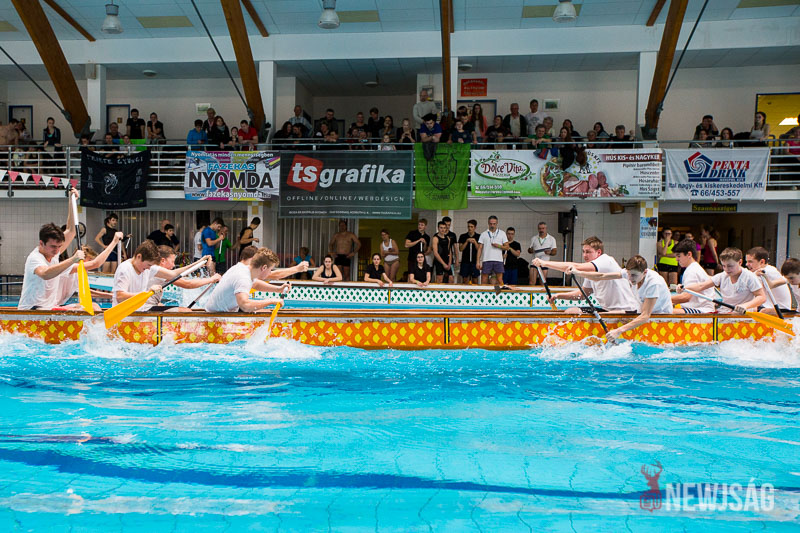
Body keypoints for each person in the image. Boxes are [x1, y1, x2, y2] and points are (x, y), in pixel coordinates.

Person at [569, 255, 673, 342]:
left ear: (645, 272)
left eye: (633, 275)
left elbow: (645, 316)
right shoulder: (631, 273)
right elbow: (602, 276)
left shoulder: (653, 283)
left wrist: (618, 331)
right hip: (642, 313)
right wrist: (578, 272)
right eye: (628, 274)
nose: (630, 278)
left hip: (662, 318)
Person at [534, 236, 639, 314]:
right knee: (571, 311)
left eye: (588, 252)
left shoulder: (606, 260)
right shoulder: (590, 271)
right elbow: (582, 294)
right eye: (583, 251)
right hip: (607, 310)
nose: (584, 255)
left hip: (626, 311)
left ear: (598, 252)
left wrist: (544, 263)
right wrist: (558, 296)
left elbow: (575, 266)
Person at [679, 247, 765, 314]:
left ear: (740, 262)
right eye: (724, 266)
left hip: (743, 315)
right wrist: (684, 288)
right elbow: (701, 286)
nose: (726, 269)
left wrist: (745, 306)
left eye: (730, 266)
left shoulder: (749, 277)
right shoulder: (723, 275)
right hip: (725, 313)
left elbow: (761, 297)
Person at [204, 247, 287, 313]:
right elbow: (245, 305)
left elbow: (255, 284)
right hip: (214, 319)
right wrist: (271, 301)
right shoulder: (243, 278)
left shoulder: (243, 269)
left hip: (217, 313)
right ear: (264, 267)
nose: (270, 273)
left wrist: (278, 289)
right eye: (270, 269)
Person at [147, 246, 220, 312]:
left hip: (149, 305)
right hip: (146, 308)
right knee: (186, 311)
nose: (174, 265)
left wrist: (198, 263)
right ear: (163, 261)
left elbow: (175, 273)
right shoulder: (158, 270)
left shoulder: (155, 269)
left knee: (162, 305)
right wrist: (211, 279)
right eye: (172, 261)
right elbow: (187, 284)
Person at [670, 239, 716, 314]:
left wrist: (664, 299)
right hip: (700, 308)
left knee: (664, 311)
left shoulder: (692, 271)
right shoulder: (693, 268)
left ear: (689, 254)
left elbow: (686, 297)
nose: (676, 259)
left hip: (702, 310)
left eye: (679, 256)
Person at [745, 246, 792, 312]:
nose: (747, 264)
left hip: (780, 310)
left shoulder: (766, 272)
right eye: (746, 261)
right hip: (771, 307)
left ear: (762, 262)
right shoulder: (769, 269)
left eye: (750, 262)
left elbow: (745, 286)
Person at [476, 216, 509, 287]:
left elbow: (507, 247)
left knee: (499, 280)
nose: (492, 225)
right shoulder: (483, 234)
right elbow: (480, 248)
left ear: (497, 223)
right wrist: (478, 261)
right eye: (491, 224)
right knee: (484, 279)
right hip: (486, 259)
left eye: (494, 224)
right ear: (488, 223)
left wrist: (499, 246)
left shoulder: (502, 233)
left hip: (498, 260)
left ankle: (498, 292)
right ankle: (484, 293)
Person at [458, 219, 481, 285]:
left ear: (475, 227)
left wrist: (475, 242)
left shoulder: (479, 236)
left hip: (474, 261)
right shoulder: (463, 236)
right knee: (465, 280)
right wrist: (466, 241)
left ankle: (475, 291)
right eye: (468, 226)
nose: (470, 228)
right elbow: (461, 249)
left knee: (475, 280)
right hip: (465, 261)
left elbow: (479, 249)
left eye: (471, 227)